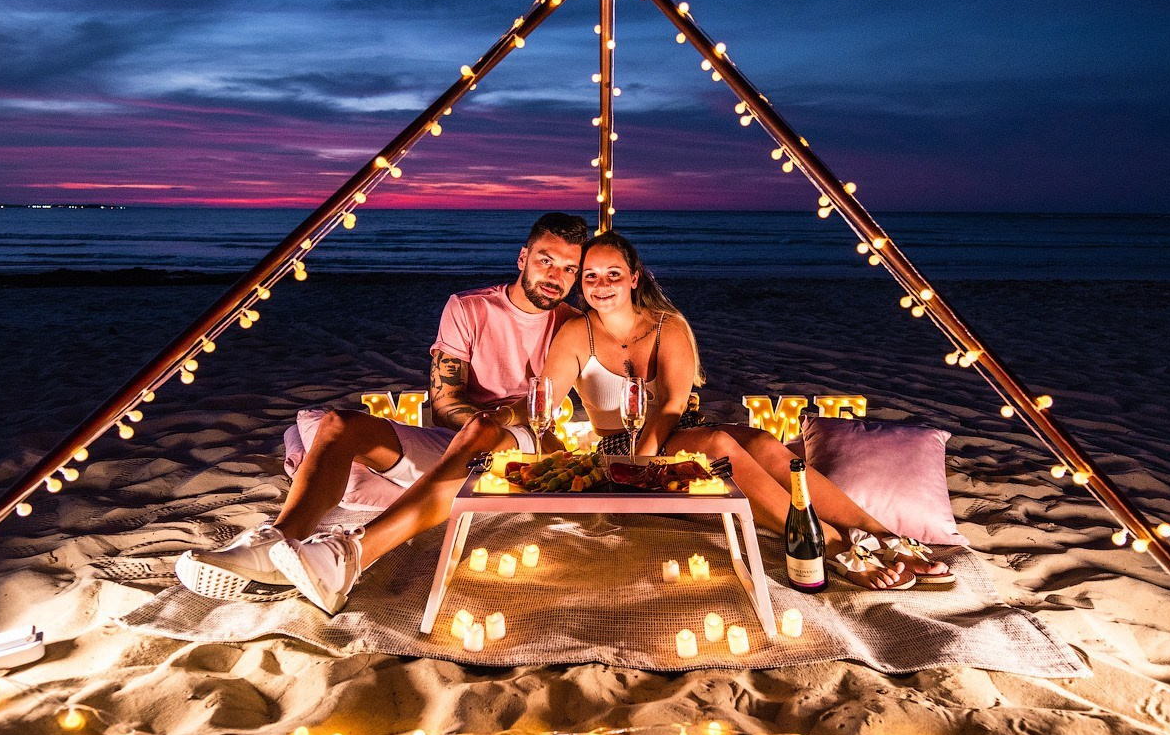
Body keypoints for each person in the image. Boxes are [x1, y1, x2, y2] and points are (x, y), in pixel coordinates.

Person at [257, 229, 952, 615]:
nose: (596, 283)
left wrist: (650, 449)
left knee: (767, 444)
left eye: (608, 273)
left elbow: (672, 403)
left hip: (671, 432)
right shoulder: (576, 333)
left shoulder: (667, 324)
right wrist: (534, 427)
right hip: (628, 448)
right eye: (588, 275)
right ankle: (830, 544)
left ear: (634, 275)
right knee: (728, 448)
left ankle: (875, 531)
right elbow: (546, 397)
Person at [174, 211, 589, 599]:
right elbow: (446, 403)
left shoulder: (572, 323)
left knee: (479, 432)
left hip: (523, 444)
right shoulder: (469, 307)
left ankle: (349, 556)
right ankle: (276, 540)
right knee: (339, 424)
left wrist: (496, 422)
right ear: (523, 257)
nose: (556, 276)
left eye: (569, 268)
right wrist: (476, 427)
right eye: (546, 261)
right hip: (458, 440)